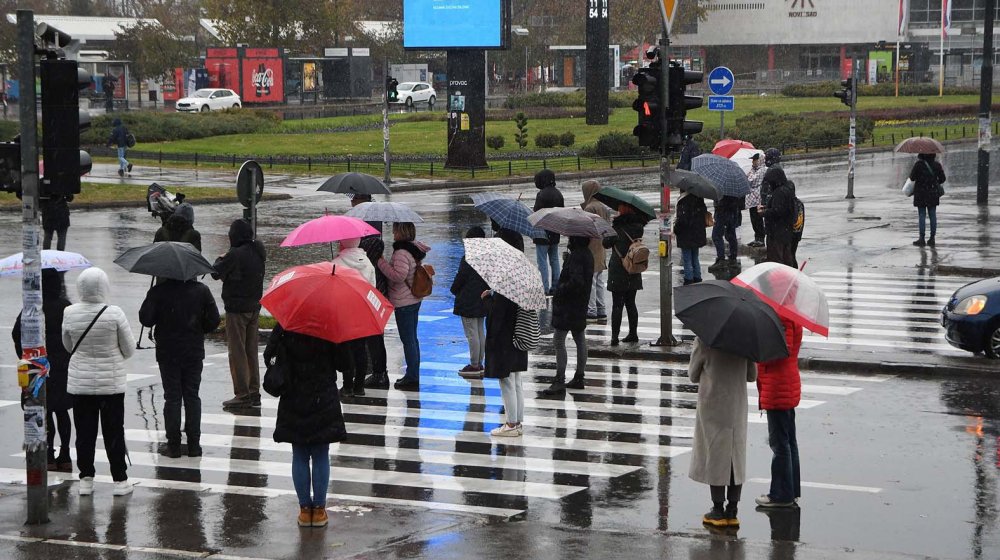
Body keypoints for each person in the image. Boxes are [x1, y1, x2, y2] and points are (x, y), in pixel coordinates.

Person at [62, 267, 136, 496]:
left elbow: (68, 346)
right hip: (111, 386)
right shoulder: (114, 313)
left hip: (80, 385)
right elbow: (129, 348)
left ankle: (86, 479)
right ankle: (120, 481)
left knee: (84, 433)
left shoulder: (70, 312)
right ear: (104, 287)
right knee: (113, 432)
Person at [266, 325, 347, 528]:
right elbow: (344, 363)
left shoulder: (287, 324)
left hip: (294, 396)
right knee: (320, 453)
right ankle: (319, 511)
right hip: (323, 396)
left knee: (299, 453)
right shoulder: (329, 325)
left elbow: (269, 356)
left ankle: (304, 510)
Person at [139, 275, 220, 458]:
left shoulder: (159, 292)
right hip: (193, 350)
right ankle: (194, 445)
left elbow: (146, 319)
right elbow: (214, 320)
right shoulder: (202, 291)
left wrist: (153, 296)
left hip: (168, 352)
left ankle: (174, 445)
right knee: (192, 396)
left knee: (173, 397)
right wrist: (197, 329)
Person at [688, 337, 757, 528]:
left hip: (713, 404)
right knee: (735, 454)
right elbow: (752, 375)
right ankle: (733, 509)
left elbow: (693, 375)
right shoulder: (745, 340)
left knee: (715, 453)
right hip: (736, 404)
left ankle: (717, 509)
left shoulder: (705, 339)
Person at [13, 270, 73, 472]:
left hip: (38, 369)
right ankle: (65, 454)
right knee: (62, 412)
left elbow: (16, 334)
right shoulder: (66, 307)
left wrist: (26, 356)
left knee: (44, 412)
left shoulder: (32, 309)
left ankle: (48, 455)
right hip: (62, 367)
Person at [212, 218, 267, 409]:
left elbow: (215, 272)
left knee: (237, 352)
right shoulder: (258, 251)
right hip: (254, 307)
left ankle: (242, 394)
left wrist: (221, 257)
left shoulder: (234, 254)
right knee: (251, 351)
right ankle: (254, 391)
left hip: (236, 310)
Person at [483, 227, 529, 437]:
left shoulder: (506, 274)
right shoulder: (521, 269)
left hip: (505, 334)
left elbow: (501, 309)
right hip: (517, 333)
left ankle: (511, 424)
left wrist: (491, 299)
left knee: (507, 380)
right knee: (516, 378)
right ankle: (517, 422)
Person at [755, 317, 804, 510]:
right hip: (784, 383)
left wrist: (758, 354)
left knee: (780, 443)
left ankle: (781, 494)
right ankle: (790, 490)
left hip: (778, 386)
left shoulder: (782, 317)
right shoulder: (790, 313)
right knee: (788, 441)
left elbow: (782, 349)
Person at [376, 222, 429, 391]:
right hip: (414, 299)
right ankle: (414, 374)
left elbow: (399, 276)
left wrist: (381, 263)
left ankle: (412, 376)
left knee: (408, 341)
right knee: (412, 339)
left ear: (401, 231)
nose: (393, 232)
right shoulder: (414, 249)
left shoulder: (401, 252)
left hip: (403, 301)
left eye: (395, 229)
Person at [544, 236, 593, 394]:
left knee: (558, 340)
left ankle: (559, 379)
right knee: (579, 338)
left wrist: (561, 289)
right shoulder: (587, 254)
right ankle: (579, 376)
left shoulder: (577, 256)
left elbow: (576, 281)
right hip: (580, 304)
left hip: (568, 306)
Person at [332, 237, 377, 397]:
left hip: (344, 311)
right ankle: (359, 386)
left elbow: (332, 290)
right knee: (360, 349)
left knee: (346, 349)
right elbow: (373, 288)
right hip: (363, 310)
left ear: (343, 243)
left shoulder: (337, 263)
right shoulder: (367, 263)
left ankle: (347, 385)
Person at [604, 203, 647, 346]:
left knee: (617, 305)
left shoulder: (616, 228)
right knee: (631, 302)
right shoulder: (638, 227)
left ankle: (614, 337)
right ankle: (633, 333)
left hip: (618, 268)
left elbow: (606, 243)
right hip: (633, 267)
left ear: (622, 210)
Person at [450, 226, 489, 378]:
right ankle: (479, 362)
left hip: (467, 300)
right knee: (479, 332)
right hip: (481, 299)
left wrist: (453, 289)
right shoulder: (486, 258)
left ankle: (474, 364)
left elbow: (461, 277)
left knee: (472, 334)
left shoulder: (469, 257)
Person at [361, 234, 391, 390]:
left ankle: (379, 374)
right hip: (380, 309)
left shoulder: (368, 267)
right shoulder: (380, 267)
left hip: (370, 310)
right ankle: (381, 373)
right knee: (377, 341)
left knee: (374, 342)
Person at [581, 180, 610, 321]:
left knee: (590, 280)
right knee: (599, 280)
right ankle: (601, 309)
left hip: (591, 246)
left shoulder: (589, 208)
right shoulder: (603, 207)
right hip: (601, 246)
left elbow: (585, 229)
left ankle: (591, 310)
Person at [531, 169, 564, 294]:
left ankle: (544, 288)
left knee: (542, 261)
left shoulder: (542, 194)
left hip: (542, 232)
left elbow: (537, 212)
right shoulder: (558, 194)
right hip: (555, 230)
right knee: (554, 259)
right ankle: (555, 286)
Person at [761, 168, 797, 268]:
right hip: (786, 231)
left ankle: (779, 281)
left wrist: (764, 212)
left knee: (776, 260)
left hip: (777, 232)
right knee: (786, 258)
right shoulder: (787, 190)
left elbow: (777, 211)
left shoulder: (779, 192)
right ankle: (788, 278)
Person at [909, 153, 946, 247]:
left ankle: (922, 238)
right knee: (932, 215)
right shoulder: (937, 165)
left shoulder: (918, 165)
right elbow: (943, 179)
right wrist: (934, 180)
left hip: (920, 193)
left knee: (922, 215)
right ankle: (932, 238)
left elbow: (912, 178)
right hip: (933, 193)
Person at [673, 188, 708, 285]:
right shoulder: (699, 198)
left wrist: (675, 229)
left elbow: (682, 221)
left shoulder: (683, 201)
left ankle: (689, 280)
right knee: (695, 257)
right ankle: (697, 278)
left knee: (687, 259)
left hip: (686, 235)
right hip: (697, 234)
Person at [707, 194, 741, 273]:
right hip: (732, 210)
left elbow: (720, 202)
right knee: (731, 235)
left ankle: (721, 259)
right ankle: (733, 258)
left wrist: (717, 203)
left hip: (722, 211)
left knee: (717, 235)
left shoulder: (721, 187)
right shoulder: (733, 187)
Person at [745, 154, 766, 248]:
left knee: (758, 219)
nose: (753, 162)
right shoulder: (754, 170)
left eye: (754, 160)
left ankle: (761, 239)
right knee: (753, 219)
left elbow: (751, 181)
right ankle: (757, 238)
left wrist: (748, 176)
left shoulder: (762, 169)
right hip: (751, 199)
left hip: (758, 198)